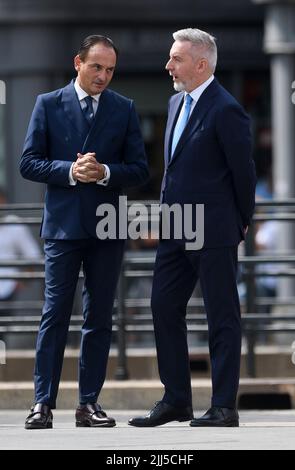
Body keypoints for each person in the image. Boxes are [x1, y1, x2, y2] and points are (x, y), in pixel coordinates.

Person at [129, 28, 256, 428]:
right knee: (163, 306)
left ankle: (223, 406)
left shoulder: (226, 109)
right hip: (174, 228)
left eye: (176, 58)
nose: (168, 65)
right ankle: (177, 400)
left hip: (214, 229)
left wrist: (241, 222)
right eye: (170, 57)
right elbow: (173, 169)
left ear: (201, 64)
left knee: (222, 315)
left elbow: (244, 172)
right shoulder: (173, 102)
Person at [20, 35, 149, 430]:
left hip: (107, 227)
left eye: (110, 70)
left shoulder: (124, 108)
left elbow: (140, 169)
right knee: (54, 314)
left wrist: (106, 172)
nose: (103, 76)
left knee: (98, 317)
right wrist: (70, 171)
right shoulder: (47, 103)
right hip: (62, 228)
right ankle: (42, 402)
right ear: (78, 63)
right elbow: (28, 162)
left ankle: (88, 403)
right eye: (96, 67)